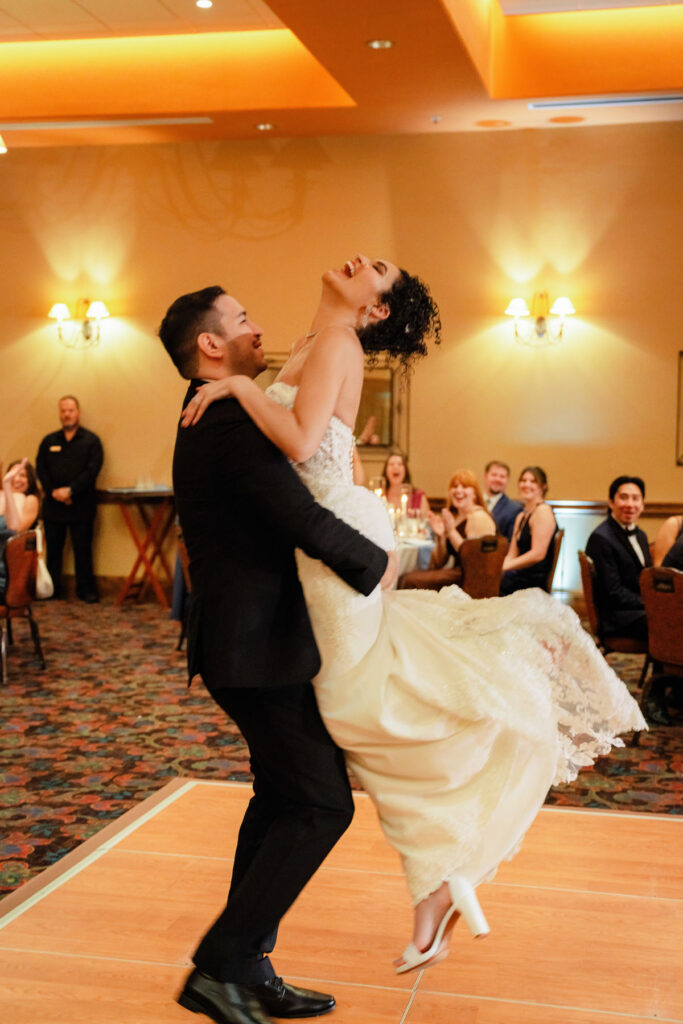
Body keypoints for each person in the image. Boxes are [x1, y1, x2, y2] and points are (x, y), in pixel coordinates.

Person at [183, 253, 645, 978]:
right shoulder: (315, 344)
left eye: (378, 271)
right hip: (326, 548)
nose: (360, 260)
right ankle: (428, 888)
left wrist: (240, 384)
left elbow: (302, 445)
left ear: (372, 310)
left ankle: (429, 879)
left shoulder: (336, 343)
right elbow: (331, 452)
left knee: (366, 709)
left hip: (331, 553)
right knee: (363, 713)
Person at [159, 284, 395, 1024]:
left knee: (283, 796)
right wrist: (381, 566)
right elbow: (294, 514)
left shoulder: (226, 403)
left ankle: (247, 967)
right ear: (209, 344)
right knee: (322, 802)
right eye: (243, 321)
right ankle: (219, 967)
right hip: (250, 641)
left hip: (260, 638)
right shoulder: (221, 415)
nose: (258, 329)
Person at [36, 396, 103, 602]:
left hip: (81, 504)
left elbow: (92, 470)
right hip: (53, 505)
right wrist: (55, 492)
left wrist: (71, 491)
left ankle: (85, 590)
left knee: (83, 549)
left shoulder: (91, 441)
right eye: (63, 411)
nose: (67, 414)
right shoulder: (49, 441)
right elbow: (41, 469)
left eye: (70, 410)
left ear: (78, 413)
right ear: (59, 413)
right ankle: (52, 590)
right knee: (54, 551)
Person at [397, 468, 495, 590]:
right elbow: (437, 563)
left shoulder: (479, 517)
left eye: (464, 487)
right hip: (456, 573)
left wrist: (451, 532)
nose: (458, 490)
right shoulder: (457, 517)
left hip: (470, 579)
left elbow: (474, 559)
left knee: (409, 581)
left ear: (474, 493)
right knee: (406, 577)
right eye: (454, 486)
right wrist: (441, 536)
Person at [585, 476, 651, 640]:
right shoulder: (601, 538)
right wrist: (651, 603)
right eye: (623, 497)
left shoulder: (641, 535)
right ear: (611, 502)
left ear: (642, 505)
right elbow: (613, 593)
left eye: (635, 498)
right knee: (671, 623)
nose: (630, 504)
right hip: (617, 617)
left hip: (636, 610)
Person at [499, 466, 558, 596]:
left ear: (543, 487)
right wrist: (499, 567)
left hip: (532, 582)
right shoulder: (521, 516)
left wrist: (505, 567)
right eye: (523, 480)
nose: (526, 484)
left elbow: (538, 554)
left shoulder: (543, 511)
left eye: (533, 481)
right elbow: (512, 554)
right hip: (519, 575)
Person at [0, 459, 40, 594]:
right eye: (13, 474)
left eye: (22, 475)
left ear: (30, 480)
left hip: (10, 560)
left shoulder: (28, 499)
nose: (16, 479)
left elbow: (15, 531)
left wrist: (7, 487)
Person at [482, 460, 522, 541]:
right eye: (494, 475)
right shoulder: (472, 502)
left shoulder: (514, 510)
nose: (497, 479)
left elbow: (510, 543)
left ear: (507, 480)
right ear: (486, 476)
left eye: (502, 476)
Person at [380, 451, 430, 516]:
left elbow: (426, 523)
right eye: (391, 464)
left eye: (400, 464)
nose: (395, 467)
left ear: (405, 470)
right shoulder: (379, 497)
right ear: (386, 471)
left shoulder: (419, 497)